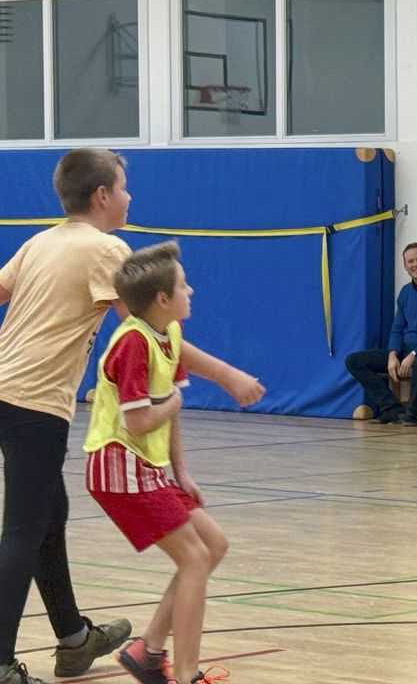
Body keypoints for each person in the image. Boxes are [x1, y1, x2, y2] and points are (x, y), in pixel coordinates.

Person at [0, 149, 263, 684]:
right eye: (123, 187)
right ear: (101, 196)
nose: (129, 196)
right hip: (34, 402)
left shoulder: (40, 241)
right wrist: (229, 376)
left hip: (8, 391)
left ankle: (73, 638)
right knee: (25, 529)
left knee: (50, 516)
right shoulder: (104, 248)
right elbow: (149, 335)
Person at [84, 242, 230, 684]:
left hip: (146, 467)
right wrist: (174, 403)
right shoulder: (132, 342)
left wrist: (180, 472)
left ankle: (146, 651)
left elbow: (168, 408)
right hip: (118, 466)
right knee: (193, 559)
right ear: (163, 299)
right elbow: (141, 419)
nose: (192, 290)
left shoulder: (168, 335)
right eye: (184, 285)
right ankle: (182, 674)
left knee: (213, 546)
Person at [346, 243, 417, 426]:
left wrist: (414, 354)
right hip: (406, 351)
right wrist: (392, 354)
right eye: (410, 261)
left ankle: (412, 414)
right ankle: (391, 409)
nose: (416, 264)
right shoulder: (405, 292)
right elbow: (397, 328)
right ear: (405, 266)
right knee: (354, 361)